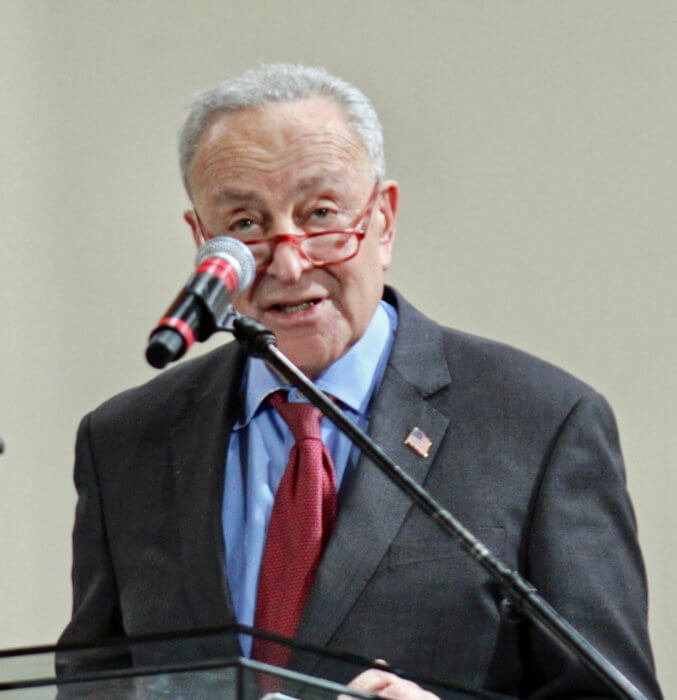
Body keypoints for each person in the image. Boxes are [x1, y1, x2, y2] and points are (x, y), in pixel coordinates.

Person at [60, 64, 661, 698]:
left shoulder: (541, 425)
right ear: (201, 239)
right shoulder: (125, 442)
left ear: (384, 220)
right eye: (244, 227)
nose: (289, 264)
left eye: (321, 214)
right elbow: (94, 686)